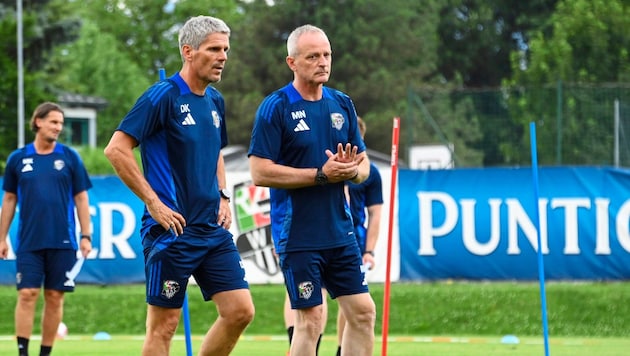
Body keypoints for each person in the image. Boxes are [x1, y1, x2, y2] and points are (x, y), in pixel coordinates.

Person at [103, 15, 254, 356]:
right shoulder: (162, 97)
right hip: (171, 231)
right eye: (214, 49)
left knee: (240, 311)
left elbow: (215, 149)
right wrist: (154, 204)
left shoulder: (215, 100)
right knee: (164, 327)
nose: (223, 57)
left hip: (211, 229)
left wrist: (223, 195)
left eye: (226, 49)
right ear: (188, 51)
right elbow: (116, 149)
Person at [248, 24, 376, 356]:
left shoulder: (342, 103)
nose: (322, 62)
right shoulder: (275, 107)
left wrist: (351, 172)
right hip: (299, 235)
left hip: (340, 232)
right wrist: (321, 174)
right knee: (311, 320)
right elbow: (259, 172)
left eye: (326, 55)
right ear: (292, 62)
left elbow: (363, 167)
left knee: (363, 313)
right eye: (312, 56)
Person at [0, 102, 93, 356]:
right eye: (53, 122)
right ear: (38, 122)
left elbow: (81, 198)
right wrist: (1, 238)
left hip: (63, 241)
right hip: (29, 241)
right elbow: (9, 200)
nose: (58, 127)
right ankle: (22, 352)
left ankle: (45, 353)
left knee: (54, 297)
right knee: (27, 293)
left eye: (61, 123)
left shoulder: (69, 157)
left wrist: (86, 235)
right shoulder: (18, 159)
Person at [336, 116, 384, 356]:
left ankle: (341, 349)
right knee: (315, 303)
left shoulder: (371, 173)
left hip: (354, 239)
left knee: (353, 304)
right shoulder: (326, 160)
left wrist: (370, 250)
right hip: (322, 235)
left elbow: (376, 213)